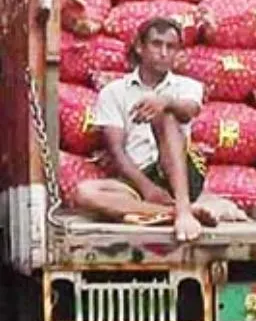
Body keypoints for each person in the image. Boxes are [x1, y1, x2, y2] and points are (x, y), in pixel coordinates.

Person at [75, 18, 235, 241]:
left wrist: (165, 101)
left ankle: (183, 209)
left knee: (164, 115)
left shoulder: (188, 86)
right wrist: (147, 188)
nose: (163, 53)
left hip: (182, 175)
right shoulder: (113, 92)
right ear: (140, 47)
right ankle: (173, 212)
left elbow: (189, 110)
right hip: (139, 179)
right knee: (84, 193)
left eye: (171, 47)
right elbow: (116, 151)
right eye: (156, 44)